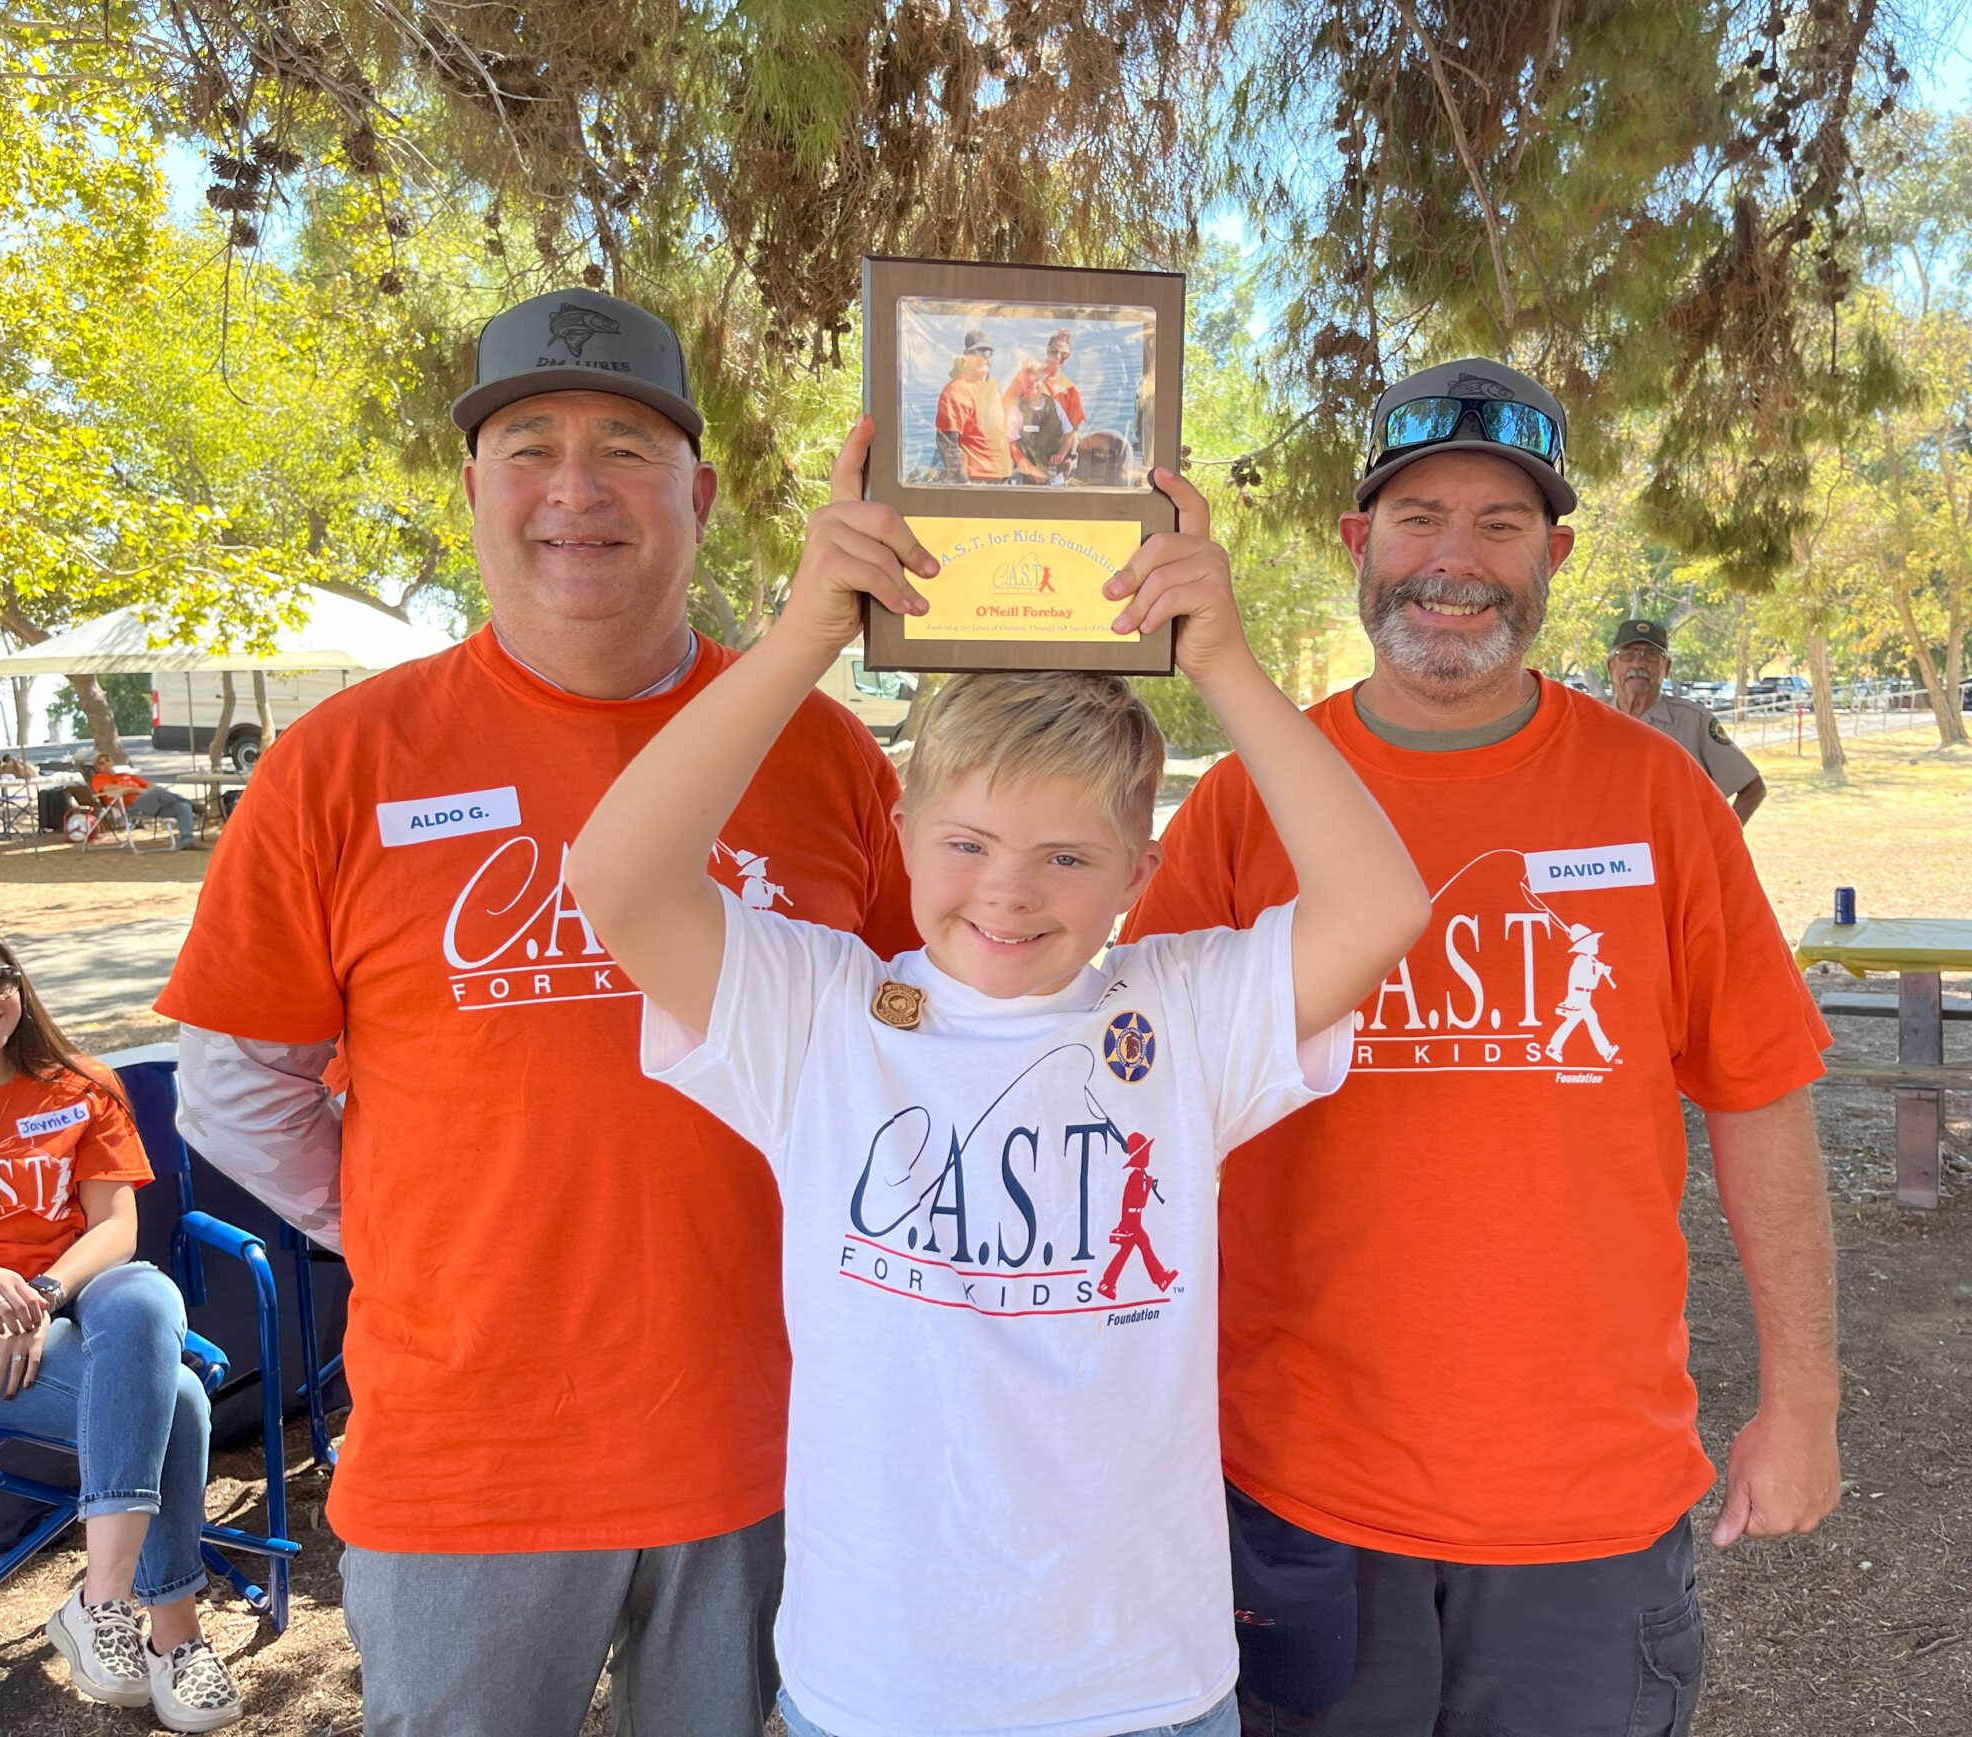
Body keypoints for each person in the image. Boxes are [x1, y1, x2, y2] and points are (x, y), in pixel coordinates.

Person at [565, 417, 1429, 1737]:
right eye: (967, 841)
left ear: (1143, 877)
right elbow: (617, 878)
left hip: (1140, 1683)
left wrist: (1231, 668)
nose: (1010, 893)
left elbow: (1379, 909)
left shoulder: (1180, 1015)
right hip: (877, 1689)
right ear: (901, 825)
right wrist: (805, 636)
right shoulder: (822, 1011)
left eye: (1070, 859)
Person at [153, 289, 918, 1737]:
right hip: (469, 1462)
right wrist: (420, 1224)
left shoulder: (822, 751)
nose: (576, 488)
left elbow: (913, 1049)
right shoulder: (340, 763)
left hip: (775, 1448)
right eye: (530, 446)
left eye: (626, 447)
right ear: (472, 492)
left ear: (695, 494)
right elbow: (234, 1087)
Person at [1124, 358, 1841, 1736]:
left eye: (1501, 526)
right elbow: (1135, 1093)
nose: (1455, 562)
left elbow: (1761, 1097)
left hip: (1583, 1503)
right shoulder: (1245, 802)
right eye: (1418, 519)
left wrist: (1801, 1397)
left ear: (1555, 555)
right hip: (1298, 1486)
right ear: (1358, 544)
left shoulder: (1657, 796)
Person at [0, 912, 243, 1733]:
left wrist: (38, 1295)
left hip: (71, 1302)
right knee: (173, 1401)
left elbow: (115, 1231)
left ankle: (102, 1595)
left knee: (140, 1293)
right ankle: (174, 1631)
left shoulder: (79, 1084)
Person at [1607, 618, 1768, 824]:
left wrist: (1718, 845)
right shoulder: (1590, 722)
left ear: (1666, 667)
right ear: (1611, 666)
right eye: (1627, 655)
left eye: (1651, 655)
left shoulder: (1694, 722)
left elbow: (1752, 788)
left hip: (1672, 852)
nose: (1638, 663)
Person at [934, 330, 1013, 483]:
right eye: (976, 352)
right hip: (977, 481)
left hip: (1003, 478)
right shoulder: (956, 390)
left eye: (987, 352)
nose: (982, 358)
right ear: (966, 355)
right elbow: (946, 442)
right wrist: (962, 482)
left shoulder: (993, 384)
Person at [88, 754, 202, 849]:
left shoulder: (126, 776)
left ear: (112, 762)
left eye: (107, 760)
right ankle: (193, 805)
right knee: (158, 791)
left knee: (182, 807)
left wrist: (145, 790)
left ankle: (187, 842)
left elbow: (150, 785)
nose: (106, 764)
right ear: (97, 768)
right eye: (101, 763)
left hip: (150, 803)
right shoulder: (98, 778)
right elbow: (108, 789)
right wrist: (135, 789)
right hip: (132, 806)